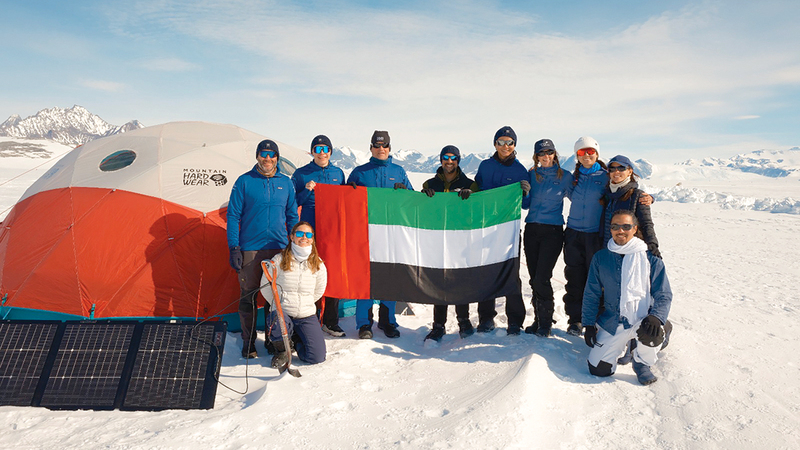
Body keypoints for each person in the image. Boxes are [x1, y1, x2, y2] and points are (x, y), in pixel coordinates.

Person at [561, 137, 652, 337]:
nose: (587, 156)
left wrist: (647, 197)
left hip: (595, 234)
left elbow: (626, 187)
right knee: (574, 278)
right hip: (573, 233)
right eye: (582, 152)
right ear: (577, 155)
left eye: (590, 152)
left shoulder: (605, 176)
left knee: (596, 280)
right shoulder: (571, 178)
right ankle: (575, 319)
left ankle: (596, 319)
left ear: (597, 154)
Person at [582, 210, 672, 385]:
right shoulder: (601, 257)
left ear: (635, 228)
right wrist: (588, 324)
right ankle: (623, 345)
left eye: (626, 226)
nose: (620, 231)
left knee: (652, 334)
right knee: (598, 370)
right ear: (611, 229)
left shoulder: (650, 258)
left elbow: (664, 294)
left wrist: (656, 317)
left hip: (643, 319)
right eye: (615, 226)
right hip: (614, 321)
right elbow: (591, 293)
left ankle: (641, 362)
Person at [227, 139, 299, 358]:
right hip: (250, 249)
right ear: (257, 156)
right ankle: (248, 343)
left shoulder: (286, 183)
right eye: (264, 154)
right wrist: (234, 247)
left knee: (274, 298)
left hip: (278, 248)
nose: (268, 159)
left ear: (277, 157)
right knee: (248, 296)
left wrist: (292, 246)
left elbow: (292, 215)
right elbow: (233, 215)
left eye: (272, 155)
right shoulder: (244, 181)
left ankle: (272, 339)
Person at [346, 130, 413, 339]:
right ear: (371, 148)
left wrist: (406, 192)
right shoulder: (359, 172)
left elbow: (411, 201)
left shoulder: (399, 171)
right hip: (366, 234)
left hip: (391, 234)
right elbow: (345, 201)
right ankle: (364, 324)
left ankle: (387, 321)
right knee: (365, 279)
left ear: (390, 148)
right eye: (377, 145)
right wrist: (349, 190)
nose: (381, 149)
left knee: (390, 277)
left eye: (384, 146)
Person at [474, 126, 530, 335]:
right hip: (485, 227)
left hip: (509, 229)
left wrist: (525, 193)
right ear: (495, 144)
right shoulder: (485, 166)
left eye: (510, 142)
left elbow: (526, 204)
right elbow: (476, 192)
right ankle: (486, 318)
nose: (505, 146)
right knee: (486, 273)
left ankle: (515, 321)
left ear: (515, 145)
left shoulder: (520, 170)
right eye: (501, 142)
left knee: (511, 273)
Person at [420, 145, 479, 341]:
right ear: (441, 160)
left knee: (460, 280)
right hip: (437, 239)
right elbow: (419, 210)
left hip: (461, 239)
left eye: (453, 158)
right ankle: (438, 325)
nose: (449, 161)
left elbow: (479, 209)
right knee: (440, 281)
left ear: (458, 160)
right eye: (446, 157)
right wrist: (424, 197)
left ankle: (464, 321)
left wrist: (470, 198)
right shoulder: (430, 183)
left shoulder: (470, 184)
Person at [291, 135, 347, 337]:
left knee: (331, 273)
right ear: (312, 152)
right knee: (309, 274)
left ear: (330, 152)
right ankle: (310, 320)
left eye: (325, 149)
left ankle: (330, 321)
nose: (322, 153)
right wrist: (306, 191)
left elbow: (344, 199)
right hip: (309, 232)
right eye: (318, 148)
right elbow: (292, 201)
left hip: (332, 231)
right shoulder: (301, 174)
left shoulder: (338, 173)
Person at [522, 139, 574, 337]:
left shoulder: (565, 177)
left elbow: (579, 197)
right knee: (534, 278)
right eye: (541, 153)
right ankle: (538, 320)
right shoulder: (531, 175)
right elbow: (525, 205)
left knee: (543, 277)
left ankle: (545, 324)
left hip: (552, 232)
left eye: (549, 152)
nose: (546, 156)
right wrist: (525, 192)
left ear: (555, 154)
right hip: (532, 229)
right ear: (536, 156)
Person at [261, 221, 327, 368]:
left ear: (312, 238)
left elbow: (319, 290)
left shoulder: (318, 264)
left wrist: (306, 303)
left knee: (317, 356)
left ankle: (295, 341)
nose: (304, 237)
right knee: (277, 322)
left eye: (308, 234)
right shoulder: (279, 260)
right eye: (299, 233)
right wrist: (278, 304)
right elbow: (265, 286)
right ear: (291, 237)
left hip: (306, 314)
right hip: (283, 311)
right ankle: (283, 350)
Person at [600, 155, 660, 256]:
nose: (616, 172)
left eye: (621, 168)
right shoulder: (607, 195)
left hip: (628, 250)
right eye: (612, 169)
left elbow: (647, 224)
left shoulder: (637, 196)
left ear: (630, 171)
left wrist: (652, 245)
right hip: (607, 248)